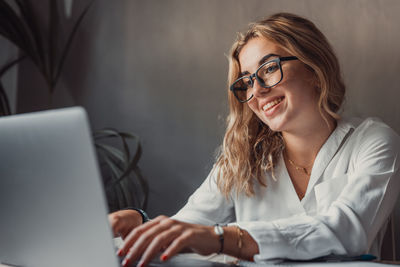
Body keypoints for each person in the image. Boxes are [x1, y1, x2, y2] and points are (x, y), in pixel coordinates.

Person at [108, 12, 400, 267]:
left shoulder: (374, 141)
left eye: (270, 68)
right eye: (246, 81)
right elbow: (188, 227)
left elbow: (346, 230)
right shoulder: (241, 157)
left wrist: (225, 238)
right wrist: (141, 225)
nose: (256, 91)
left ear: (314, 68)